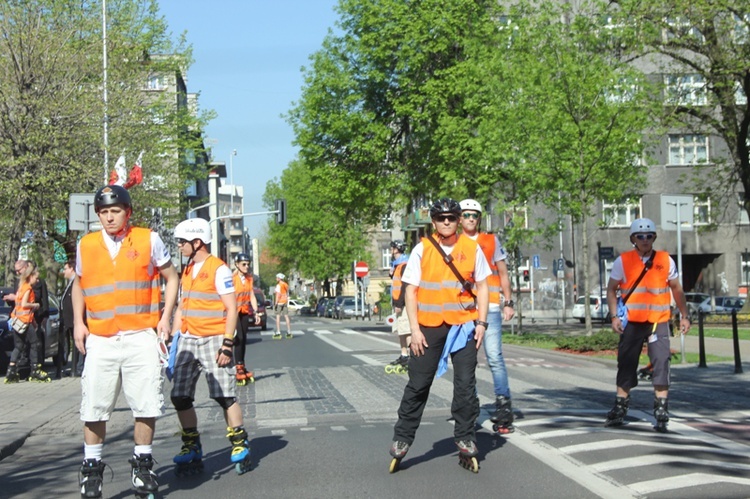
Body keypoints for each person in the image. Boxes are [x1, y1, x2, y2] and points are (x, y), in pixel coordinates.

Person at [72, 184, 179, 499]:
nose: (108, 217)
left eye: (114, 211)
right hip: (101, 338)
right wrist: (78, 322)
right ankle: (92, 471)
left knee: (145, 403)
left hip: (140, 335)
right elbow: (79, 284)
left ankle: (142, 465)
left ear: (127, 212)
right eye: (103, 212)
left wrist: (165, 317)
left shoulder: (148, 239)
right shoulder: (86, 245)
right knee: (93, 405)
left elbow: (171, 277)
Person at [389, 198, 490, 474]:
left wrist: (481, 323)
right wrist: (414, 331)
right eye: (441, 218)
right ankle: (402, 437)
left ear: (458, 221)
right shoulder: (422, 249)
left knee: (466, 385)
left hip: (464, 326)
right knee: (418, 384)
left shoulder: (472, 249)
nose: (447, 222)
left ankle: (465, 435)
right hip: (429, 327)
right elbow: (410, 291)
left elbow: (482, 287)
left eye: (452, 217)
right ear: (433, 221)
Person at [169, 217, 253, 476]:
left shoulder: (219, 269)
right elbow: (182, 306)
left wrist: (227, 345)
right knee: (179, 396)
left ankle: (239, 442)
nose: (180, 247)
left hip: (214, 338)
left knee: (224, 396)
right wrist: (173, 340)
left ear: (197, 242)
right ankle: (191, 444)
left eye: (182, 242)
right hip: (187, 340)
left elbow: (231, 309)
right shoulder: (186, 269)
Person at [605, 217, 690, 432]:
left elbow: (676, 289)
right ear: (633, 238)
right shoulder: (622, 261)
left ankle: (661, 407)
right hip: (632, 321)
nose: (645, 240)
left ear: (654, 237)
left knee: (661, 361)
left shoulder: (665, 260)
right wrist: (614, 316)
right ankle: (620, 405)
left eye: (649, 236)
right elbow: (611, 289)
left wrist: (684, 315)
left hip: (657, 321)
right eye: (640, 236)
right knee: (626, 363)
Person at [459, 199, 516, 433]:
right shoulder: (454, 242)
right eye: (466, 215)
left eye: (474, 215)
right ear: (459, 218)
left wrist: (508, 302)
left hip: (491, 307)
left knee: (494, 357)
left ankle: (504, 407)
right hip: (464, 310)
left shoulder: (491, 241)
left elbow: (502, 272)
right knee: (467, 360)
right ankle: (469, 407)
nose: (471, 218)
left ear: (479, 218)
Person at [5, 262, 50, 383]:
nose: (37, 280)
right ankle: (35, 368)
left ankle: (11, 369)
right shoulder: (27, 288)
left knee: (18, 346)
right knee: (35, 343)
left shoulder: (21, 287)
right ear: (30, 277)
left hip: (19, 321)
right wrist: (35, 305)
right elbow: (24, 304)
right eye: (36, 278)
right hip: (25, 321)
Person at [232, 253, 260, 385]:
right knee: (238, 339)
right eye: (244, 264)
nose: (246, 266)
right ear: (237, 264)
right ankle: (237, 366)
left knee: (244, 339)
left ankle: (241, 364)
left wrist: (256, 312)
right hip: (233, 312)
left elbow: (251, 296)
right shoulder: (231, 278)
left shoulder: (249, 278)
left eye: (248, 264)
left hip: (244, 311)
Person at [385, 240, 411, 374]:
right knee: (400, 330)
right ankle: (404, 355)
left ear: (396, 249)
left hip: (404, 304)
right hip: (398, 303)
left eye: (392, 248)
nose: (390, 250)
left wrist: (399, 304)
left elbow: (404, 287)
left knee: (406, 330)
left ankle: (412, 356)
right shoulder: (396, 265)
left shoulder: (404, 264)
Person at [56, 260, 77, 379]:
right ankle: (74, 368)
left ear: (72, 269)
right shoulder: (69, 283)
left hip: (72, 319)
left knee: (76, 344)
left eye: (65, 269)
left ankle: (76, 368)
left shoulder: (76, 283)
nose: (64, 272)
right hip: (67, 319)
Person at [273, 273, 291, 339]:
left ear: (279, 278)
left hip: (280, 302)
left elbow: (278, 295)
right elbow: (287, 293)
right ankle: (289, 331)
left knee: (278, 316)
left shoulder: (279, 285)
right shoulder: (286, 284)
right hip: (285, 301)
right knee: (286, 316)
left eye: (277, 277)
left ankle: (278, 332)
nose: (276, 278)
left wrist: (276, 303)